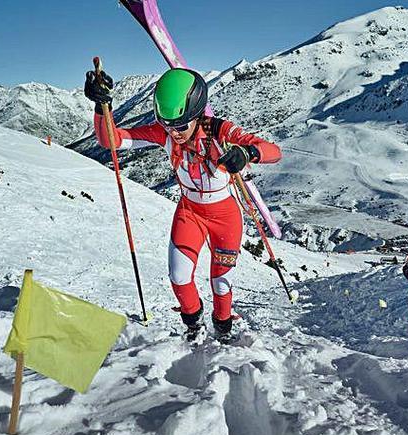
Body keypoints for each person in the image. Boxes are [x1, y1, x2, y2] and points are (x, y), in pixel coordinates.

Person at [84, 67, 281, 343]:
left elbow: (274, 150)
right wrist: (101, 106)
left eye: (180, 127)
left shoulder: (219, 130)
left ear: (197, 115)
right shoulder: (164, 133)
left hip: (225, 215)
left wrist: (248, 152)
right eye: (167, 125)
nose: (173, 133)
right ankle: (194, 325)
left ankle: (223, 330)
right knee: (179, 277)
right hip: (190, 212)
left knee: (221, 284)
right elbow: (111, 140)